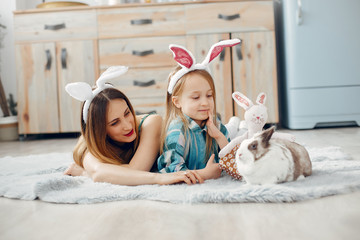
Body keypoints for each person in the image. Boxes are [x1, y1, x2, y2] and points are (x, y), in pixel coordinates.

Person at [64, 66, 207, 185]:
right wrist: (92, 173)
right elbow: (99, 172)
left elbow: (135, 171)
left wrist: (85, 172)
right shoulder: (88, 143)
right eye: (115, 123)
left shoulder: (152, 123)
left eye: (127, 113)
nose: (127, 125)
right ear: (99, 131)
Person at [157, 39, 241, 180]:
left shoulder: (215, 125)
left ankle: (237, 124)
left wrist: (219, 136)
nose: (205, 103)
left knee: (237, 133)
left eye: (209, 95)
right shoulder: (177, 131)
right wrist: (205, 174)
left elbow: (235, 163)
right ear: (177, 102)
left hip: (221, 128)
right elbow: (171, 171)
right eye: (196, 97)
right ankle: (236, 124)